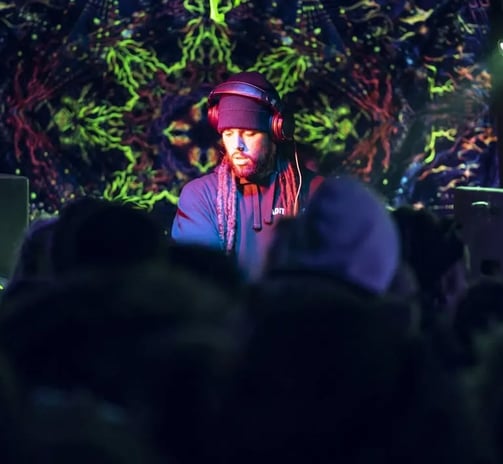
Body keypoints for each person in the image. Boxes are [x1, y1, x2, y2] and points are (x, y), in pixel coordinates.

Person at [171, 71, 324, 281]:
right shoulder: (200, 196)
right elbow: (202, 282)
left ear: (276, 131)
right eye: (228, 133)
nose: (237, 145)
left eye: (249, 133)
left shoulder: (317, 192)